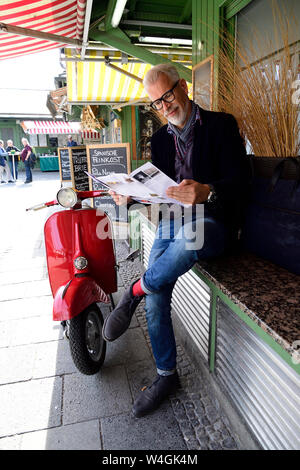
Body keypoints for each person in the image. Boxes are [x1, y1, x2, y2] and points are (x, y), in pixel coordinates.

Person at [102, 64, 249, 418]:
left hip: (214, 222)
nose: (165, 106)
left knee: (187, 240)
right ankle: (166, 376)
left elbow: (243, 182)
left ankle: (135, 289)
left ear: (183, 87)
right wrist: (131, 197)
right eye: (156, 102)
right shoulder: (160, 140)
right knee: (158, 294)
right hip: (173, 219)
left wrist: (208, 191)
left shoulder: (221, 125)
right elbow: (159, 192)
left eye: (167, 95)